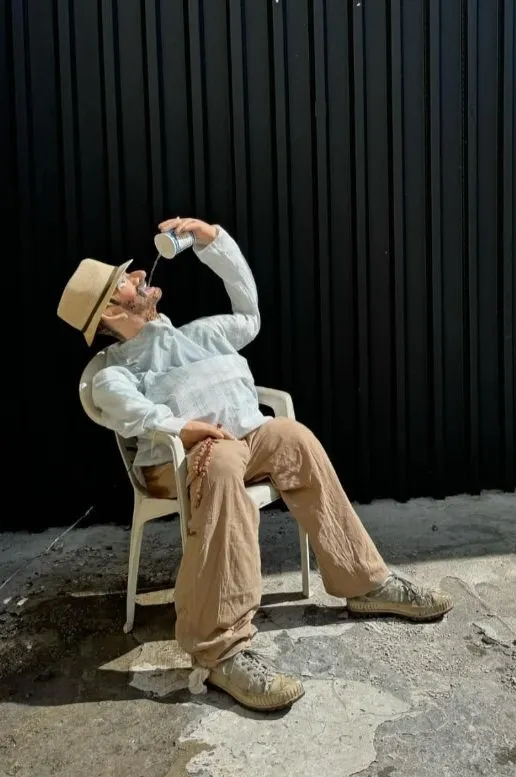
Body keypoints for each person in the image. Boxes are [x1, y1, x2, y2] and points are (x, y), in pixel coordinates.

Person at [57, 216, 453, 712]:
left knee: (294, 437)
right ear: (113, 309)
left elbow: (248, 313)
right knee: (221, 461)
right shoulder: (115, 370)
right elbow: (119, 407)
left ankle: (365, 582)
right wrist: (181, 426)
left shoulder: (200, 334)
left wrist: (212, 241)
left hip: (247, 440)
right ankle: (220, 651)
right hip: (182, 462)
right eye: (125, 280)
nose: (139, 275)